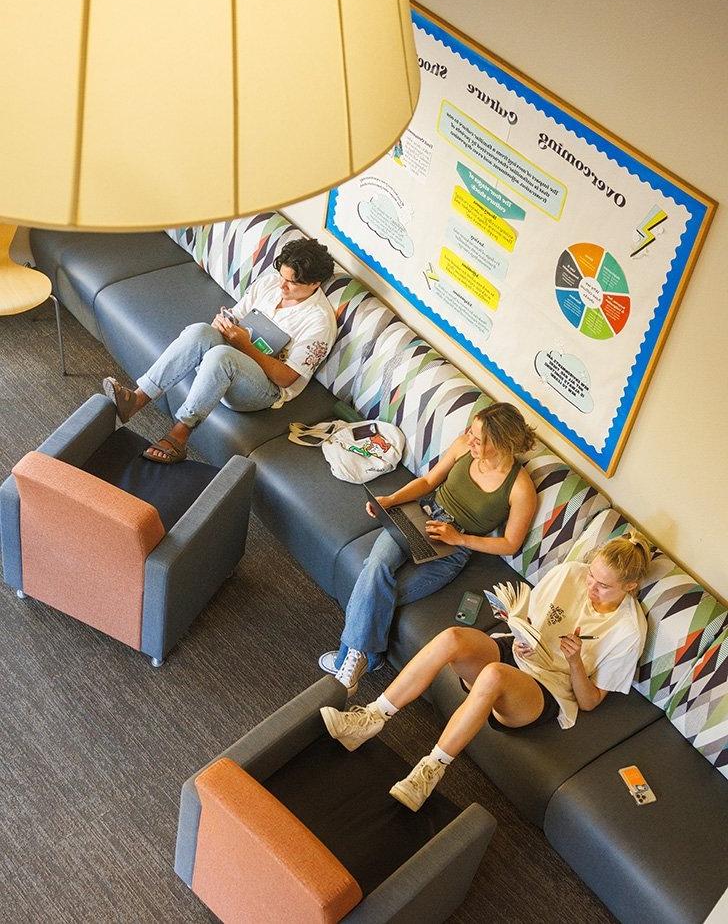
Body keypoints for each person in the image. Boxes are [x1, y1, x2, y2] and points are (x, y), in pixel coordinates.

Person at [320, 531, 651, 811]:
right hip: (518, 652)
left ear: (630, 587)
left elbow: (590, 701)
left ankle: (429, 771)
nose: (590, 586)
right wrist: (520, 634)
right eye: (591, 575)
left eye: (603, 586)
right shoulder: (571, 574)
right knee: (452, 638)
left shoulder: (628, 630)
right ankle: (368, 720)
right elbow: (531, 620)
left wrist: (576, 661)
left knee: (493, 674)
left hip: (544, 691)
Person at [318, 402, 538, 694]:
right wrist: (391, 500)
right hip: (419, 516)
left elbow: (511, 543)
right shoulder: (463, 447)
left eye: (477, 437)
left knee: (386, 591)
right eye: (470, 432)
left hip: (453, 548)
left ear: (499, 442)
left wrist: (459, 539)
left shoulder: (520, 489)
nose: (468, 438)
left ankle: (354, 659)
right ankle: (363, 659)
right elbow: (429, 481)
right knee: (375, 568)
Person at [102, 238, 336, 463]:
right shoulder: (269, 284)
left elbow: (285, 379)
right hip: (232, 356)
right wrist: (224, 323)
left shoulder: (319, 321)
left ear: (315, 283)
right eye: (281, 277)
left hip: (265, 389)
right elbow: (238, 315)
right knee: (200, 331)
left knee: (221, 356)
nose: (282, 286)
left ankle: (179, 436)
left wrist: (245, 345)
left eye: (292, 283)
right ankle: (137, 399)